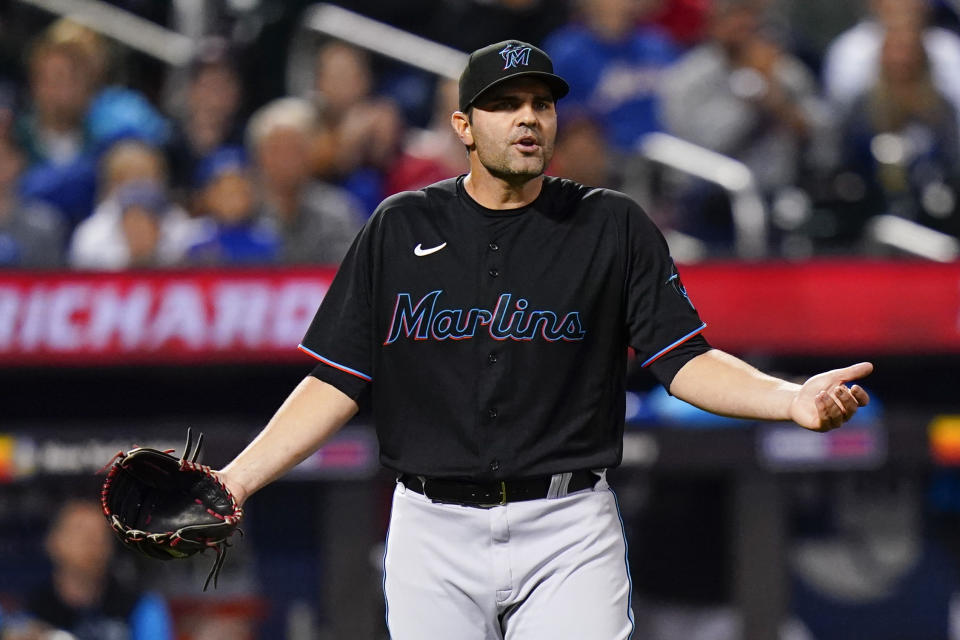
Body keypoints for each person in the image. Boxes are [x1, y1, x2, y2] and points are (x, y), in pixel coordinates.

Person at [214, 40, 872, 639]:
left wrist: (790, 401)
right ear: (463, 127)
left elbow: (684, 360)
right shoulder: (399, 226)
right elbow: (336, 378)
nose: (528, 117)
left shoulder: (610, 225)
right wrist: (236, 481)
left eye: (539, 103)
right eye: (503, 105)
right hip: (430, 526)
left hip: (568, 528)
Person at [1, 499, 172, 640]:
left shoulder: (140, 607)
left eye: (100, 535)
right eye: (80, 532)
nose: (92, 543)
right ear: (53, 542)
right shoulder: (27, 609)